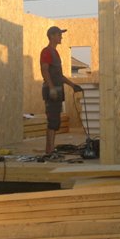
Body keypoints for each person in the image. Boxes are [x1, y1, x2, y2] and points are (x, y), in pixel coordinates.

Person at [40, 26, 82, 154]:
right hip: (51, 91)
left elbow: (59, 76)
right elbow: (44, 70)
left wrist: (72, 85)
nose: (61, 37)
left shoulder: (55, 53)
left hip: (58, 90)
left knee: (55, 121)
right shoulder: (46, 51)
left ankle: (51, 149)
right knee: (52, 121)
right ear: (52, 36)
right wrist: (51, 88)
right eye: (59, 35)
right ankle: (49, 150)